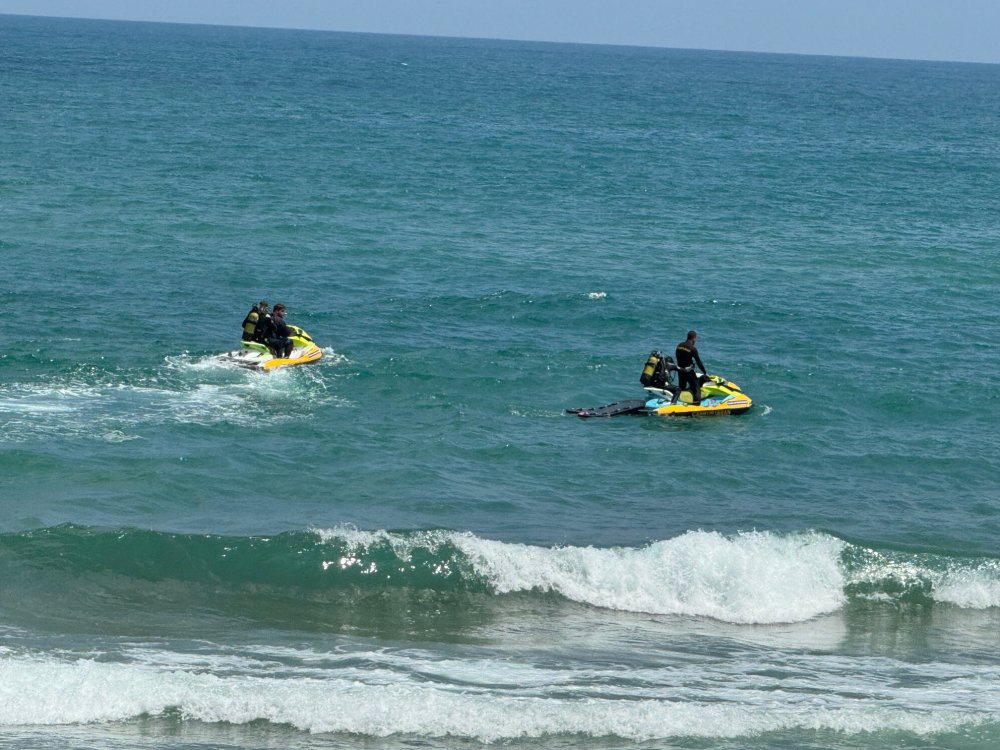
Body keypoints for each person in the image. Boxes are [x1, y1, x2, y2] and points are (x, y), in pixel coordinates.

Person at [674, 330, 707, 403]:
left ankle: (679, 402)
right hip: (688, 372)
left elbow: (677, 357)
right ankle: (696, 404)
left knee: (682, 388)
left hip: (680, 370)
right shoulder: (692, 348)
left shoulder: (679, 345)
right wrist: (704, 372)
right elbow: (698, 362)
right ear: (694, 338)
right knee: (696, 388)